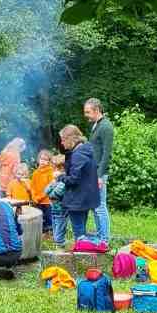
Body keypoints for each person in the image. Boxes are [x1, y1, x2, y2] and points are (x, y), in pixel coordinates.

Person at [57, 124, 99, 242]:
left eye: (63, 140)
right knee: (82, 232)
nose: (62, 143)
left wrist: (60, 177)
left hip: (76, 200)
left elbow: (73, 179)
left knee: (79, 235)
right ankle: (91, 247)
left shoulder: (78, 154)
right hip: (86, 198)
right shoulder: (87, 150)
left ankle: (85, 250)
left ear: (71, 139)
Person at [85, 97, 115, 242]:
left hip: (99, 173)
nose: (86, 115)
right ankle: (99, 235)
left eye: (88, 112)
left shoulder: (106, 127)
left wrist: (99, 176)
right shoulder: (97, 125)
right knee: (95, 206)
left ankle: (104, 239)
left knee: (100, 206)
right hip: (93, 171)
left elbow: (106, 154)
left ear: (97, 110)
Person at [29, 148, 61, 246]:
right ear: (38, 159)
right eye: (41, 159)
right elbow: (32, 186)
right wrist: (34, 197)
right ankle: (41, 236)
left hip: (47, 201)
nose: (43, 161)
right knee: (39, 219)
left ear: (49, 161)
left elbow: (50, 188)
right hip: (37, 201)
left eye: (45, 160)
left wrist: (39, 197)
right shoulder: (36, 173)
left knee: (48, 219)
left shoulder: (50, 172)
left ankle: (51, 236)